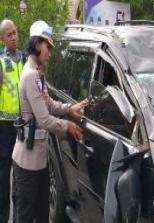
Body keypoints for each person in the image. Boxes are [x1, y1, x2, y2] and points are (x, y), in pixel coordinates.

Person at [11, 20, 88, 223]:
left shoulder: (36, 74)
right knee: (26, 217)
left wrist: (69, 108)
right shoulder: (29, 76)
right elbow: (44, 120)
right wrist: (68, 125)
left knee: (43, 215)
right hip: (27, 164)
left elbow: (49, 104)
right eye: (48, 47)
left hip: (39, 161)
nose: (50, 53)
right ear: (37, 45)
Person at [0, 19, 26, 223]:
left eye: (14, 32)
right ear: (2, 39)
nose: (13, 37)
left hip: (24, 126)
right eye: (8, 34)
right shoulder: (0, 61)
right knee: (3, 177)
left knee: (21, 176)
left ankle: (19, 218)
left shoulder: (25, 59)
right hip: (4, 127)